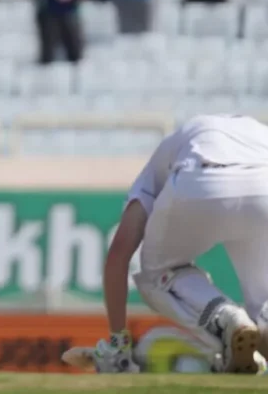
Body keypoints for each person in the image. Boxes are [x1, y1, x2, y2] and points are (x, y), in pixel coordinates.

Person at [98, 115, 268, 375]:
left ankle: (225, 319)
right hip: (263, 183)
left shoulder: (150, 175)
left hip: (202, 177)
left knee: (156, 275)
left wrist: (117, 344)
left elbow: (118, 256)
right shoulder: (252, 129)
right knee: (262, 304)